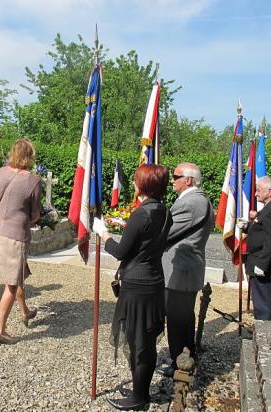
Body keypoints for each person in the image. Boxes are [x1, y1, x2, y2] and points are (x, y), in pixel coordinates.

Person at [92, 164, 172, 411]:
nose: (134, 183)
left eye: (137, 180)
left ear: (144, 184)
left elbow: (121, 251)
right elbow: (146, 239)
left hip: (137, 285)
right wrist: (125, 226)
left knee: (138, 342)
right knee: (145, 340)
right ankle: (141, 391)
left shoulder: (141, 214)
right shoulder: (164, 211)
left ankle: (138, 399)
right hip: (155, 281)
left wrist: (104, 234)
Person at [0, 139, 41, 345]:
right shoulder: (33, 180)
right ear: (29, 155)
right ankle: (0, 329)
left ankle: (24, 311)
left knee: (18, 273)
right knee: (12, 283)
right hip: (17, 235)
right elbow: (34, 215)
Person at [157, 162, 214, 378]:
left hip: (180, 272)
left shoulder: (191, 203)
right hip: (185, 270)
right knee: (183, 318)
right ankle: (186, 355)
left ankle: (179, 363)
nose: (172, 180)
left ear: (188, 180)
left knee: (177, 320)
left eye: (176, 176)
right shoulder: (197, 199)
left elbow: (166, 233)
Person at [243, 176, 271, 320]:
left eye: (258, 190)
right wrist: (247, 227)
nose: (256, 193)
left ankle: (265, 338)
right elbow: (262, 229)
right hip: (262, 262)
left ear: (270, 192)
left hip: (265, 267)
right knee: (265, 303)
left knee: (264, 306)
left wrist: (262, 264)